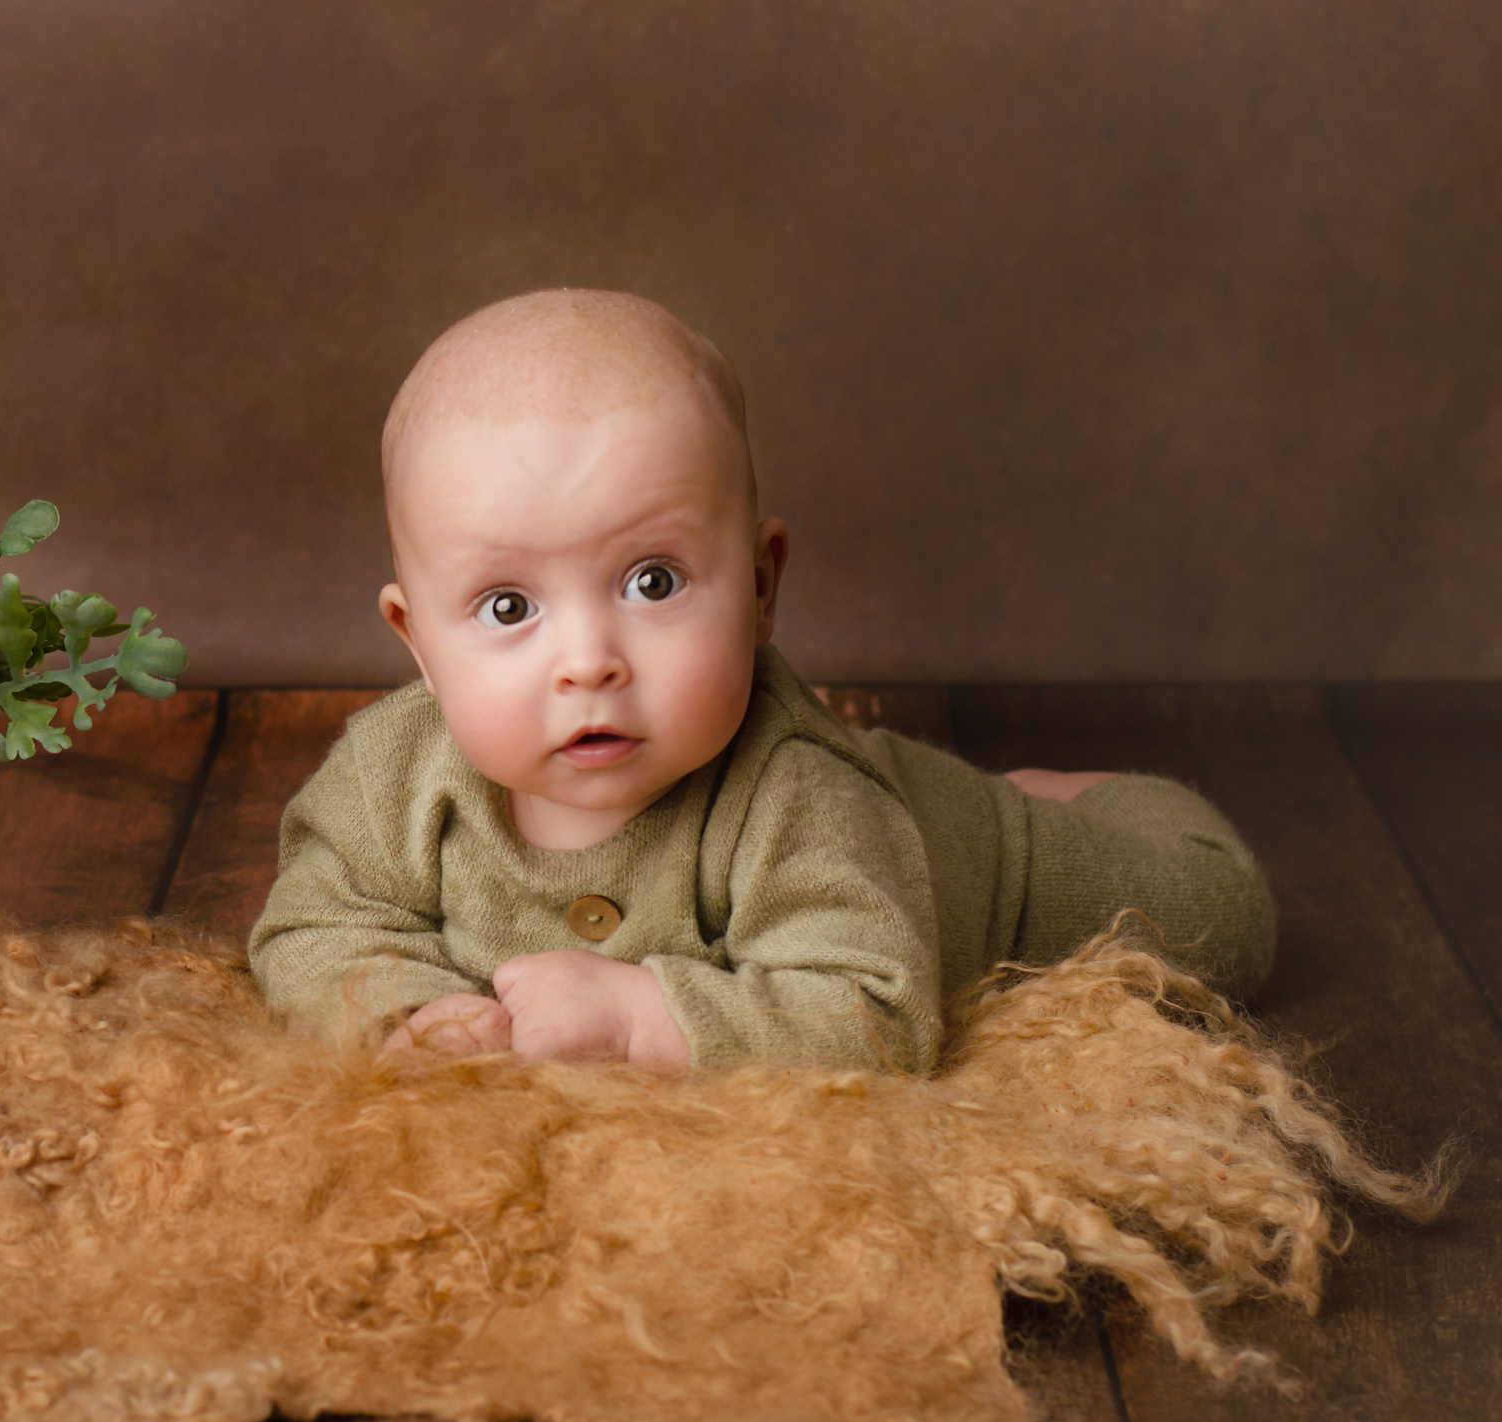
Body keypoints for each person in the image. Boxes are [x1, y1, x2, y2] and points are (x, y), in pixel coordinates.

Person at [248, 289, 1274, 1073]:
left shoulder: (795, 794)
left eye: (651, 581)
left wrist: (640, 1017)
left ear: (760, 585)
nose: (587, 660)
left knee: (1219, 927)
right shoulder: (393, 776)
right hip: (895, 811)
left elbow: (870, 1014)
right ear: (415, 639)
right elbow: (313, 922)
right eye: (508, 608)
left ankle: (1061, 807)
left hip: (990, 869)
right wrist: (412, 1009)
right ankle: (1012, 789)